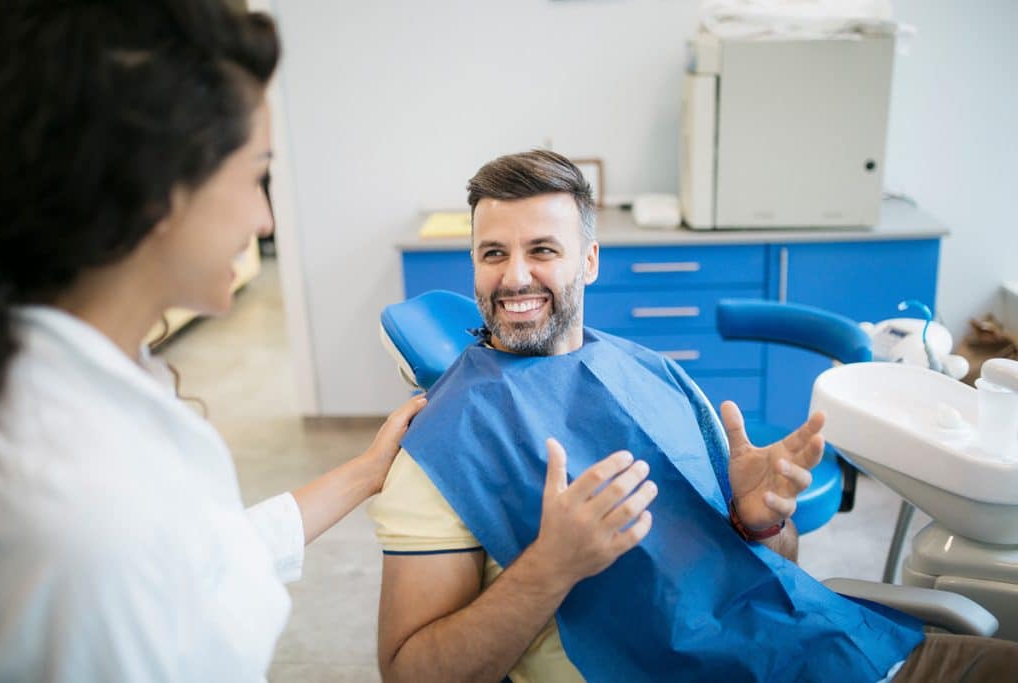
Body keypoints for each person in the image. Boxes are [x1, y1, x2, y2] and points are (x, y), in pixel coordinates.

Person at [368, 150, 1018, 682]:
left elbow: (776, 564)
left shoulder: (650, 373)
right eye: (492, 254)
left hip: (835, 648)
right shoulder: (446, 444)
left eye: (543, 250)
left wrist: (761, 522)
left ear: (589, 261)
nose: (514, 277)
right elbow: (409, 670)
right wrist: (552, 565)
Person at [0, 2, 424, 680]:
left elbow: (204, 562)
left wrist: (366, 472)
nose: (265, 217)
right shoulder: (82, 516)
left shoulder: (105, 381)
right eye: (257, 175)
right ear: (159, 188)